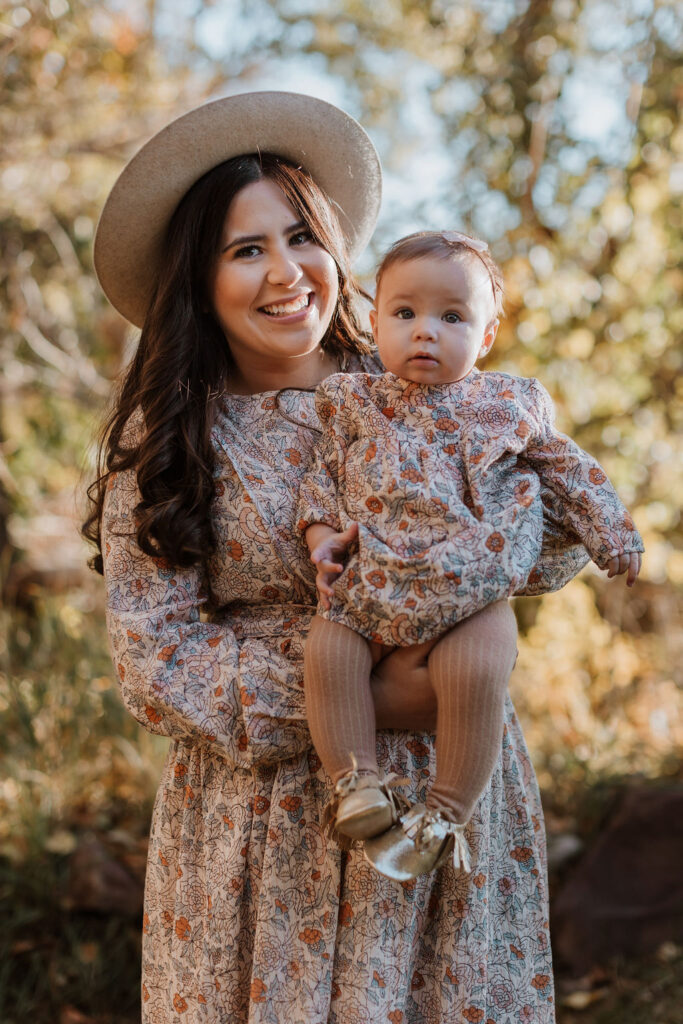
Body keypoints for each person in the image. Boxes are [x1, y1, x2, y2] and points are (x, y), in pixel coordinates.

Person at [85, 92, 580, 1024]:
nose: (286, 273)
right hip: (262, 827)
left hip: (447, 783)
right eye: (245, 249)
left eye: (301, 237)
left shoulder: (420, 385)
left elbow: (548, 549)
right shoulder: (169, 441)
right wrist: (371, 694)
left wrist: (482, 545)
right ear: (197, 279)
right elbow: (158, 663)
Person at [298, 230, 643, 881]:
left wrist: (610, 529)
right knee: (330, 646)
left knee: (475, 670)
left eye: (451, 316)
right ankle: (355, 784)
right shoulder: (353, 402)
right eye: (404, 313)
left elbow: (564, 466)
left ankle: (445, 814)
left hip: (473, 585)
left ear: (484, 337)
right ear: (374, 323)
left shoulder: (502, 405)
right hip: (376, 577)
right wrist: (322, 539)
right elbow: (323, 478)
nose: (424, 331)